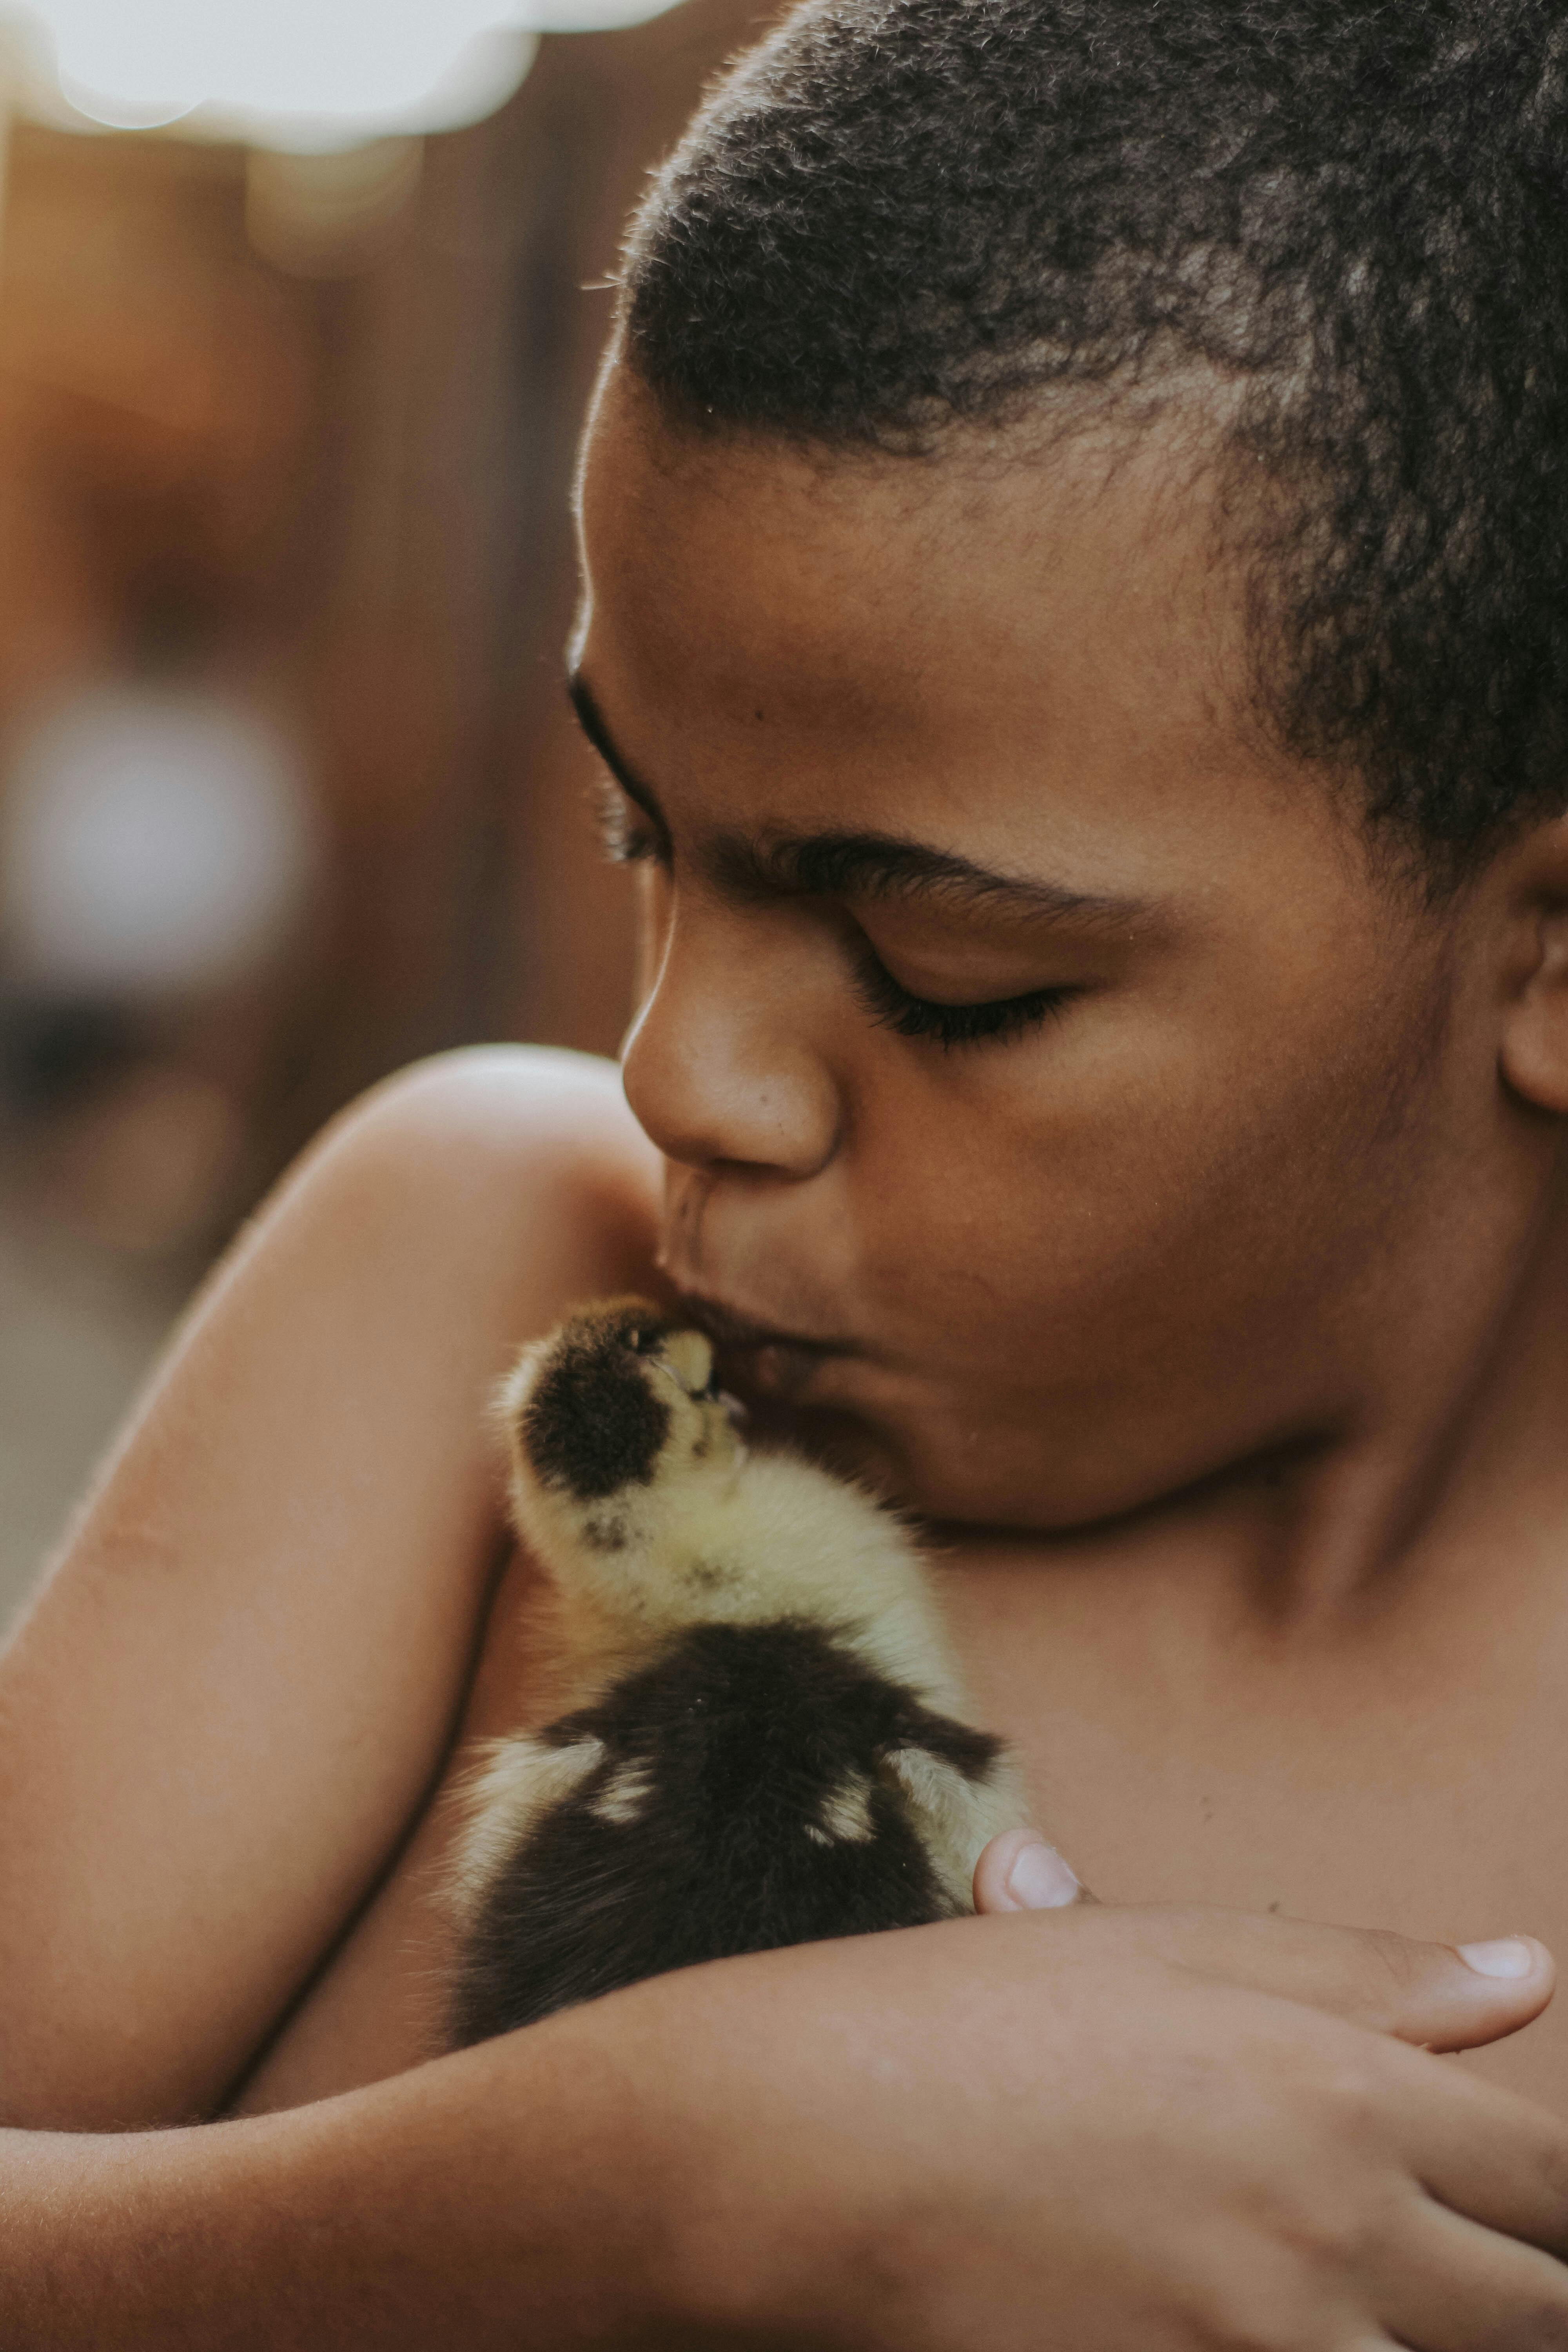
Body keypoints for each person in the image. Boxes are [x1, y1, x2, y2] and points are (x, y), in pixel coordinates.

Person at [5, 0, 1568, 2341]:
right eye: (643, 831)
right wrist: (631, 2175)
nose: (677, 1073)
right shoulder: (492, 1287)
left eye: (944, 976)